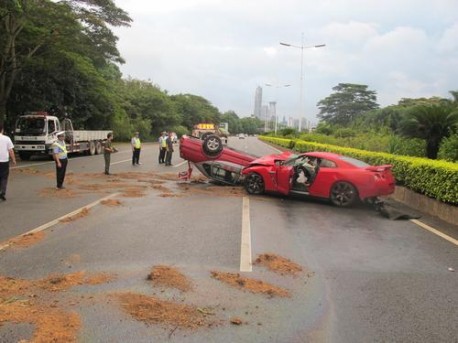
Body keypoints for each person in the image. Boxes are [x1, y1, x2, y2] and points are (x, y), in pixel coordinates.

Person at [0, 122, 16, 201]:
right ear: (2, 130)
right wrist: (13, 159)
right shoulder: (6, 138)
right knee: (4, 177)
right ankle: (3, 191)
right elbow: (10, 150)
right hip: (4, 161)